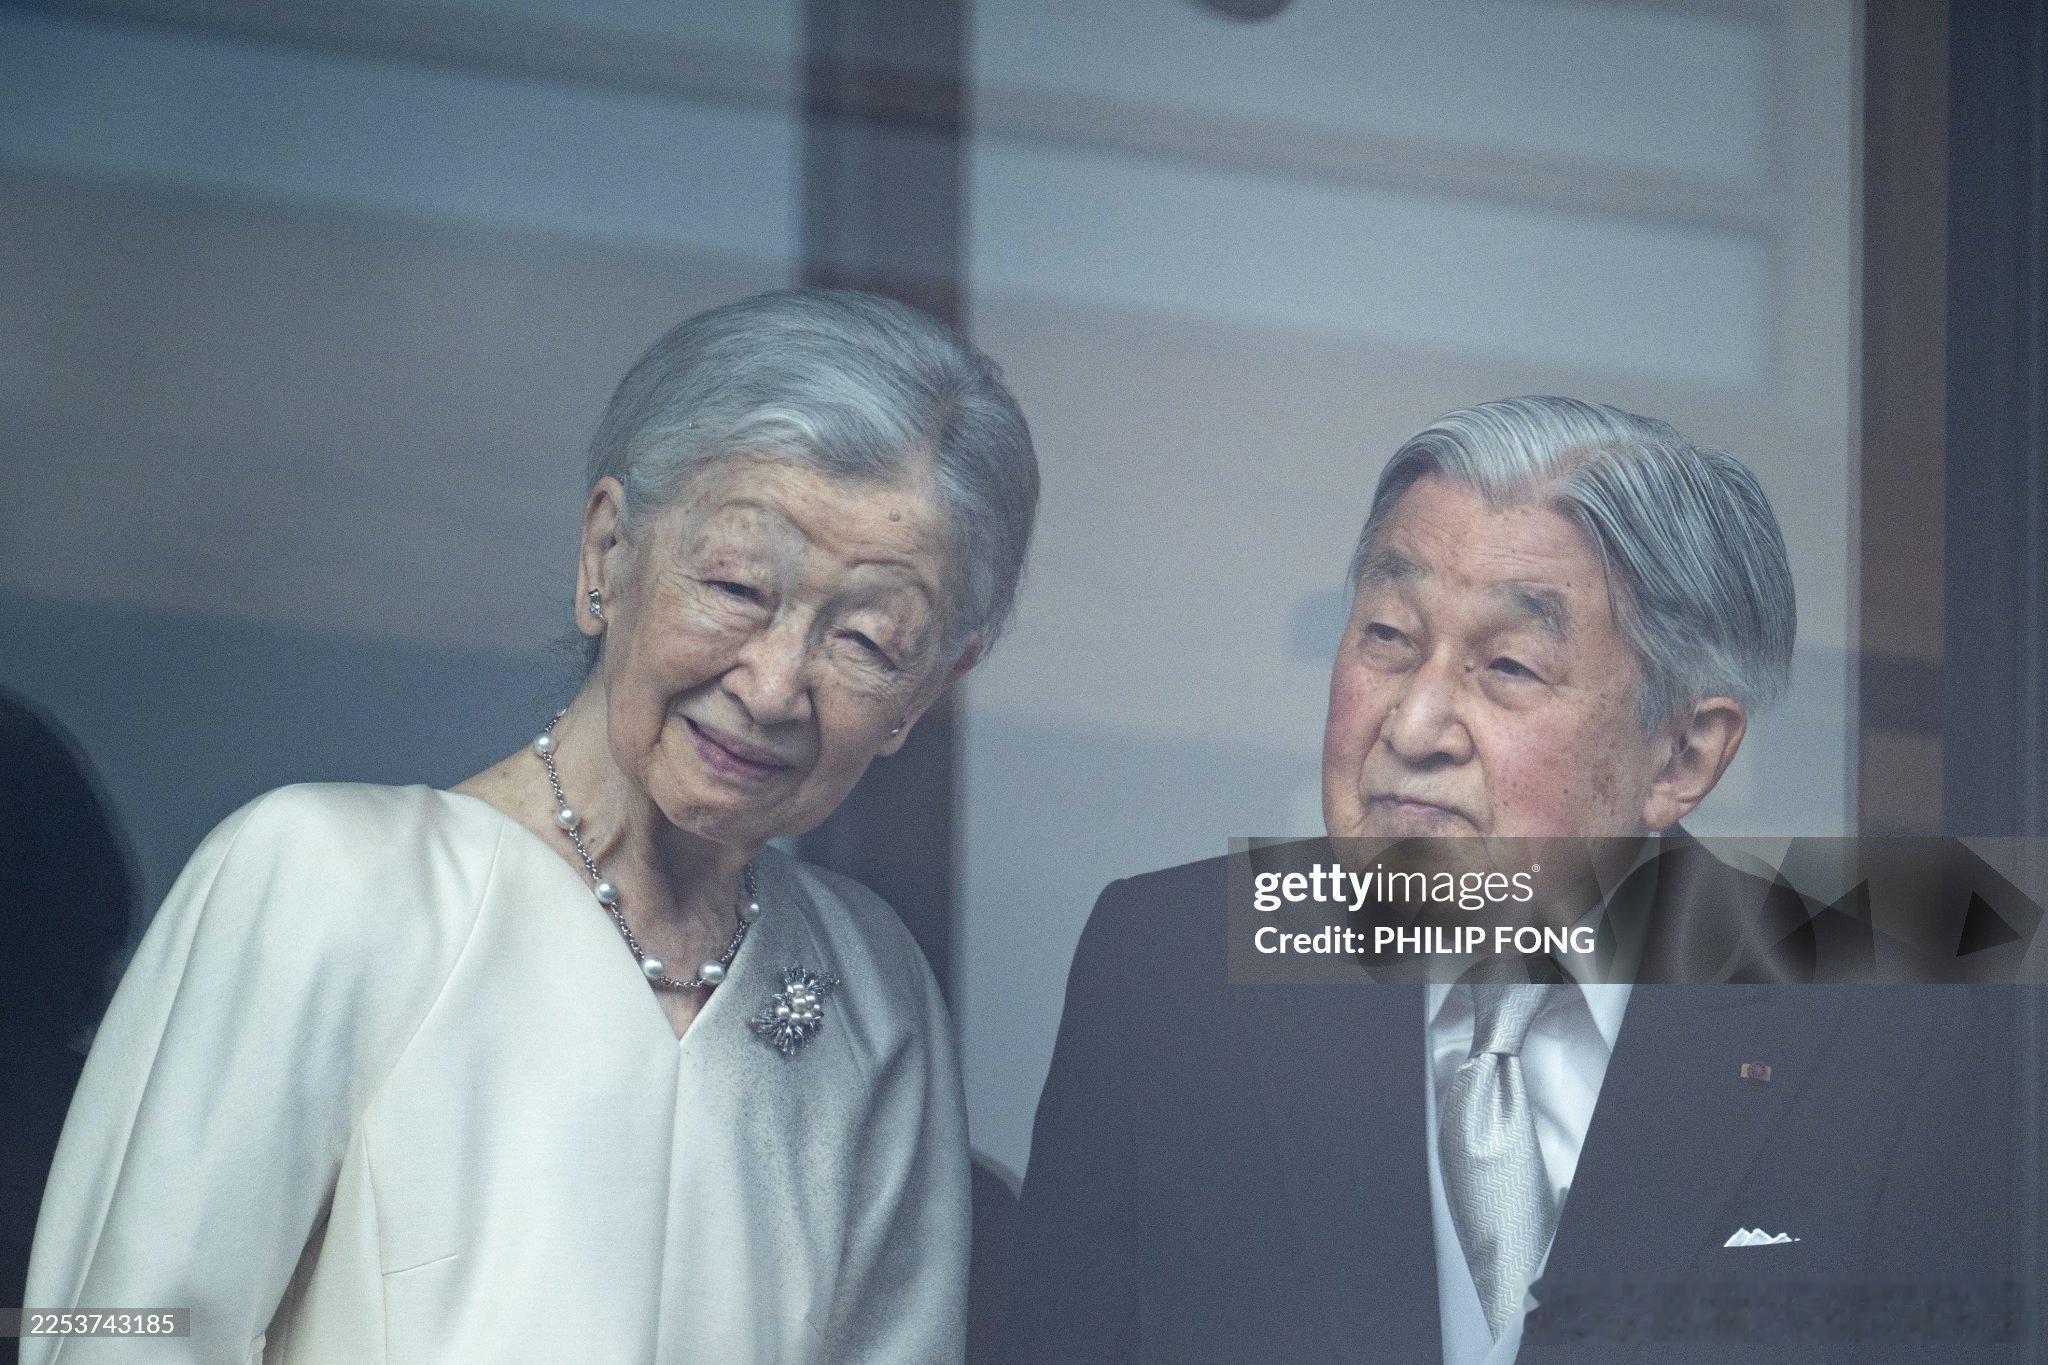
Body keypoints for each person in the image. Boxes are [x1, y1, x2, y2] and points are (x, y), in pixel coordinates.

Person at [25, 287, 1038, 1363]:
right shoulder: (327, 882)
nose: (774, 684)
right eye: (738, 586)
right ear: (606, 553)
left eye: (869, 642)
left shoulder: (871, 991)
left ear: (931, 688)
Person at [1004, 397, 2037, 1363]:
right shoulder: (1169, 964)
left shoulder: (1894, 1017)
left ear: (1680, 755)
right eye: (1386, 637)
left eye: (1506, 667)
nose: (1413, 726)